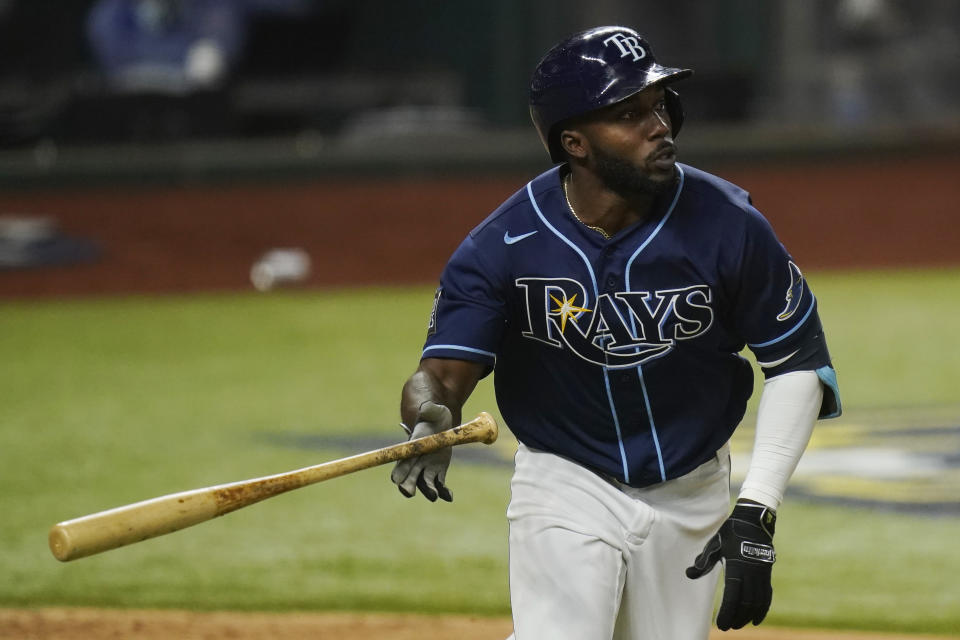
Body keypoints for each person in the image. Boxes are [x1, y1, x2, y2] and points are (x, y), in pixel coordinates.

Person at [390, 26, 841, 640]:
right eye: (630, 115)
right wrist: (430, 415)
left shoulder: (729, 224)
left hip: (693, 488)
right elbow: (439, 376)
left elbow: (797, 364)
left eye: (659, 107)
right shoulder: (503, 245)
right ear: (574, 142)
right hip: (566, 477)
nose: (659, 126)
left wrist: (757, 511)